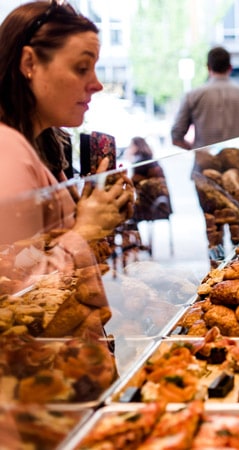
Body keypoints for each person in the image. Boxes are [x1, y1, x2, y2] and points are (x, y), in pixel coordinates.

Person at [0, 0, 134, 338]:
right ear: (29, 62)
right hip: (39, 373)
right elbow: (17, 295)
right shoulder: (7, 148)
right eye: (81, 68)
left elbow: (39, 249)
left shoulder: (43, 142)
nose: (96, 84)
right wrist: (86, 229)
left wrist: (100, 212)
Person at [170, 45, 239, 174]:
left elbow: (176, 136)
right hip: (237, 164)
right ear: (230, 68)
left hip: (205, 166)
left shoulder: (193, 95)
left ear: (208, 67)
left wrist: (198, 150)